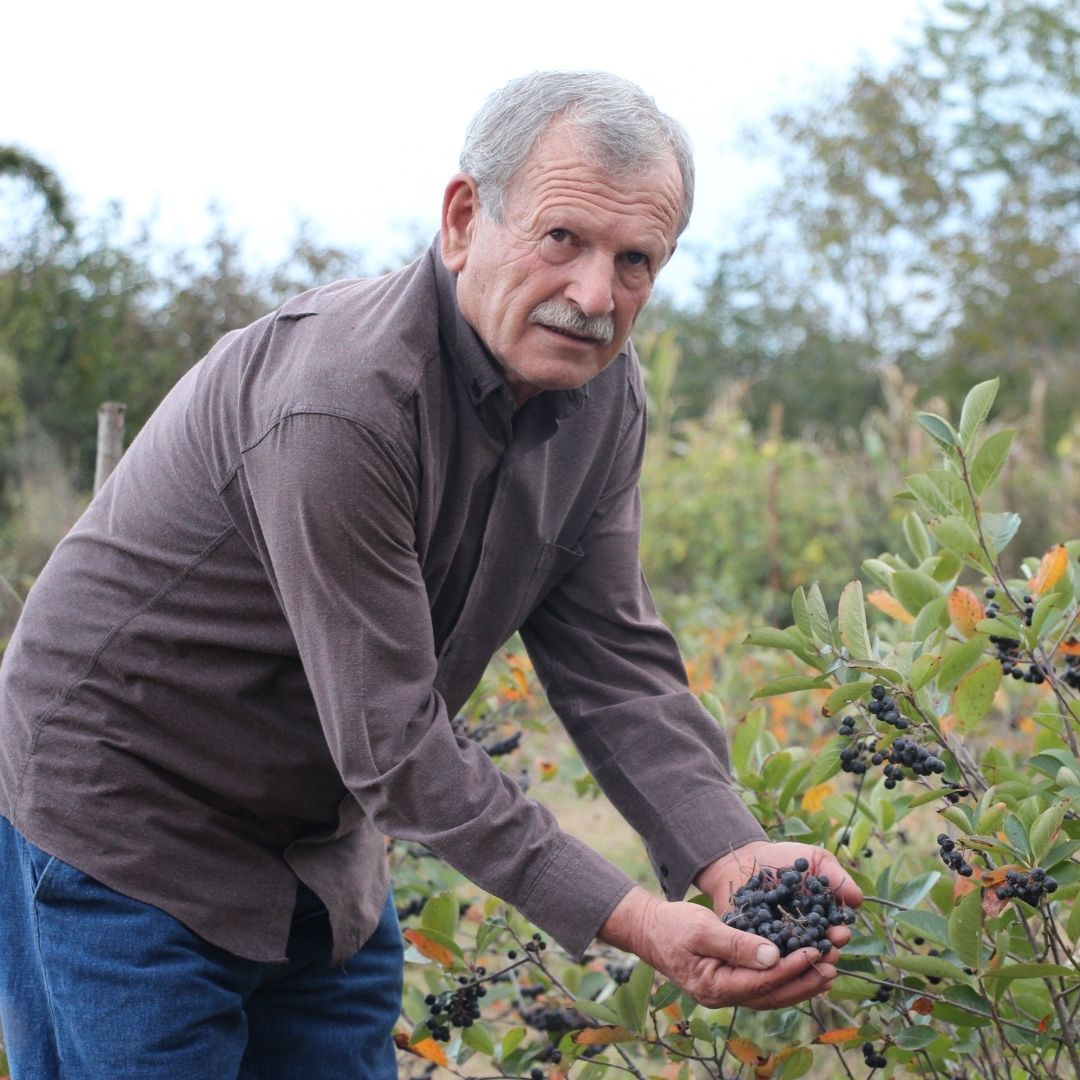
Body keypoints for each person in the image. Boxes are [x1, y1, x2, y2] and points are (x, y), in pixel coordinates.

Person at [0, 71, 861, 1079]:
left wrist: (728, 852)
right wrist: (631, 920)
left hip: (318, 859)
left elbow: (615, 661)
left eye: (636, 261)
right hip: (125, 830)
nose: (596, 295)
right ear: (463, 219)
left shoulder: (602, 401)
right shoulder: (340, 405)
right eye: (562, 240)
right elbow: (395, 739)